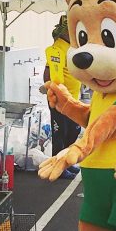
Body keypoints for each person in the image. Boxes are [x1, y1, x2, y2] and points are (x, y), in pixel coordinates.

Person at [43, 15, 82, 179]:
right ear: (65, 30)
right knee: (60, 134)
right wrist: (54, 93)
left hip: (72, 100)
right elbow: (47, 74)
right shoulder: (58, 48)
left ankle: (66, 162)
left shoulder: (71, 47)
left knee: (73, 131)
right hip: (60, 101)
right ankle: (57, 167)